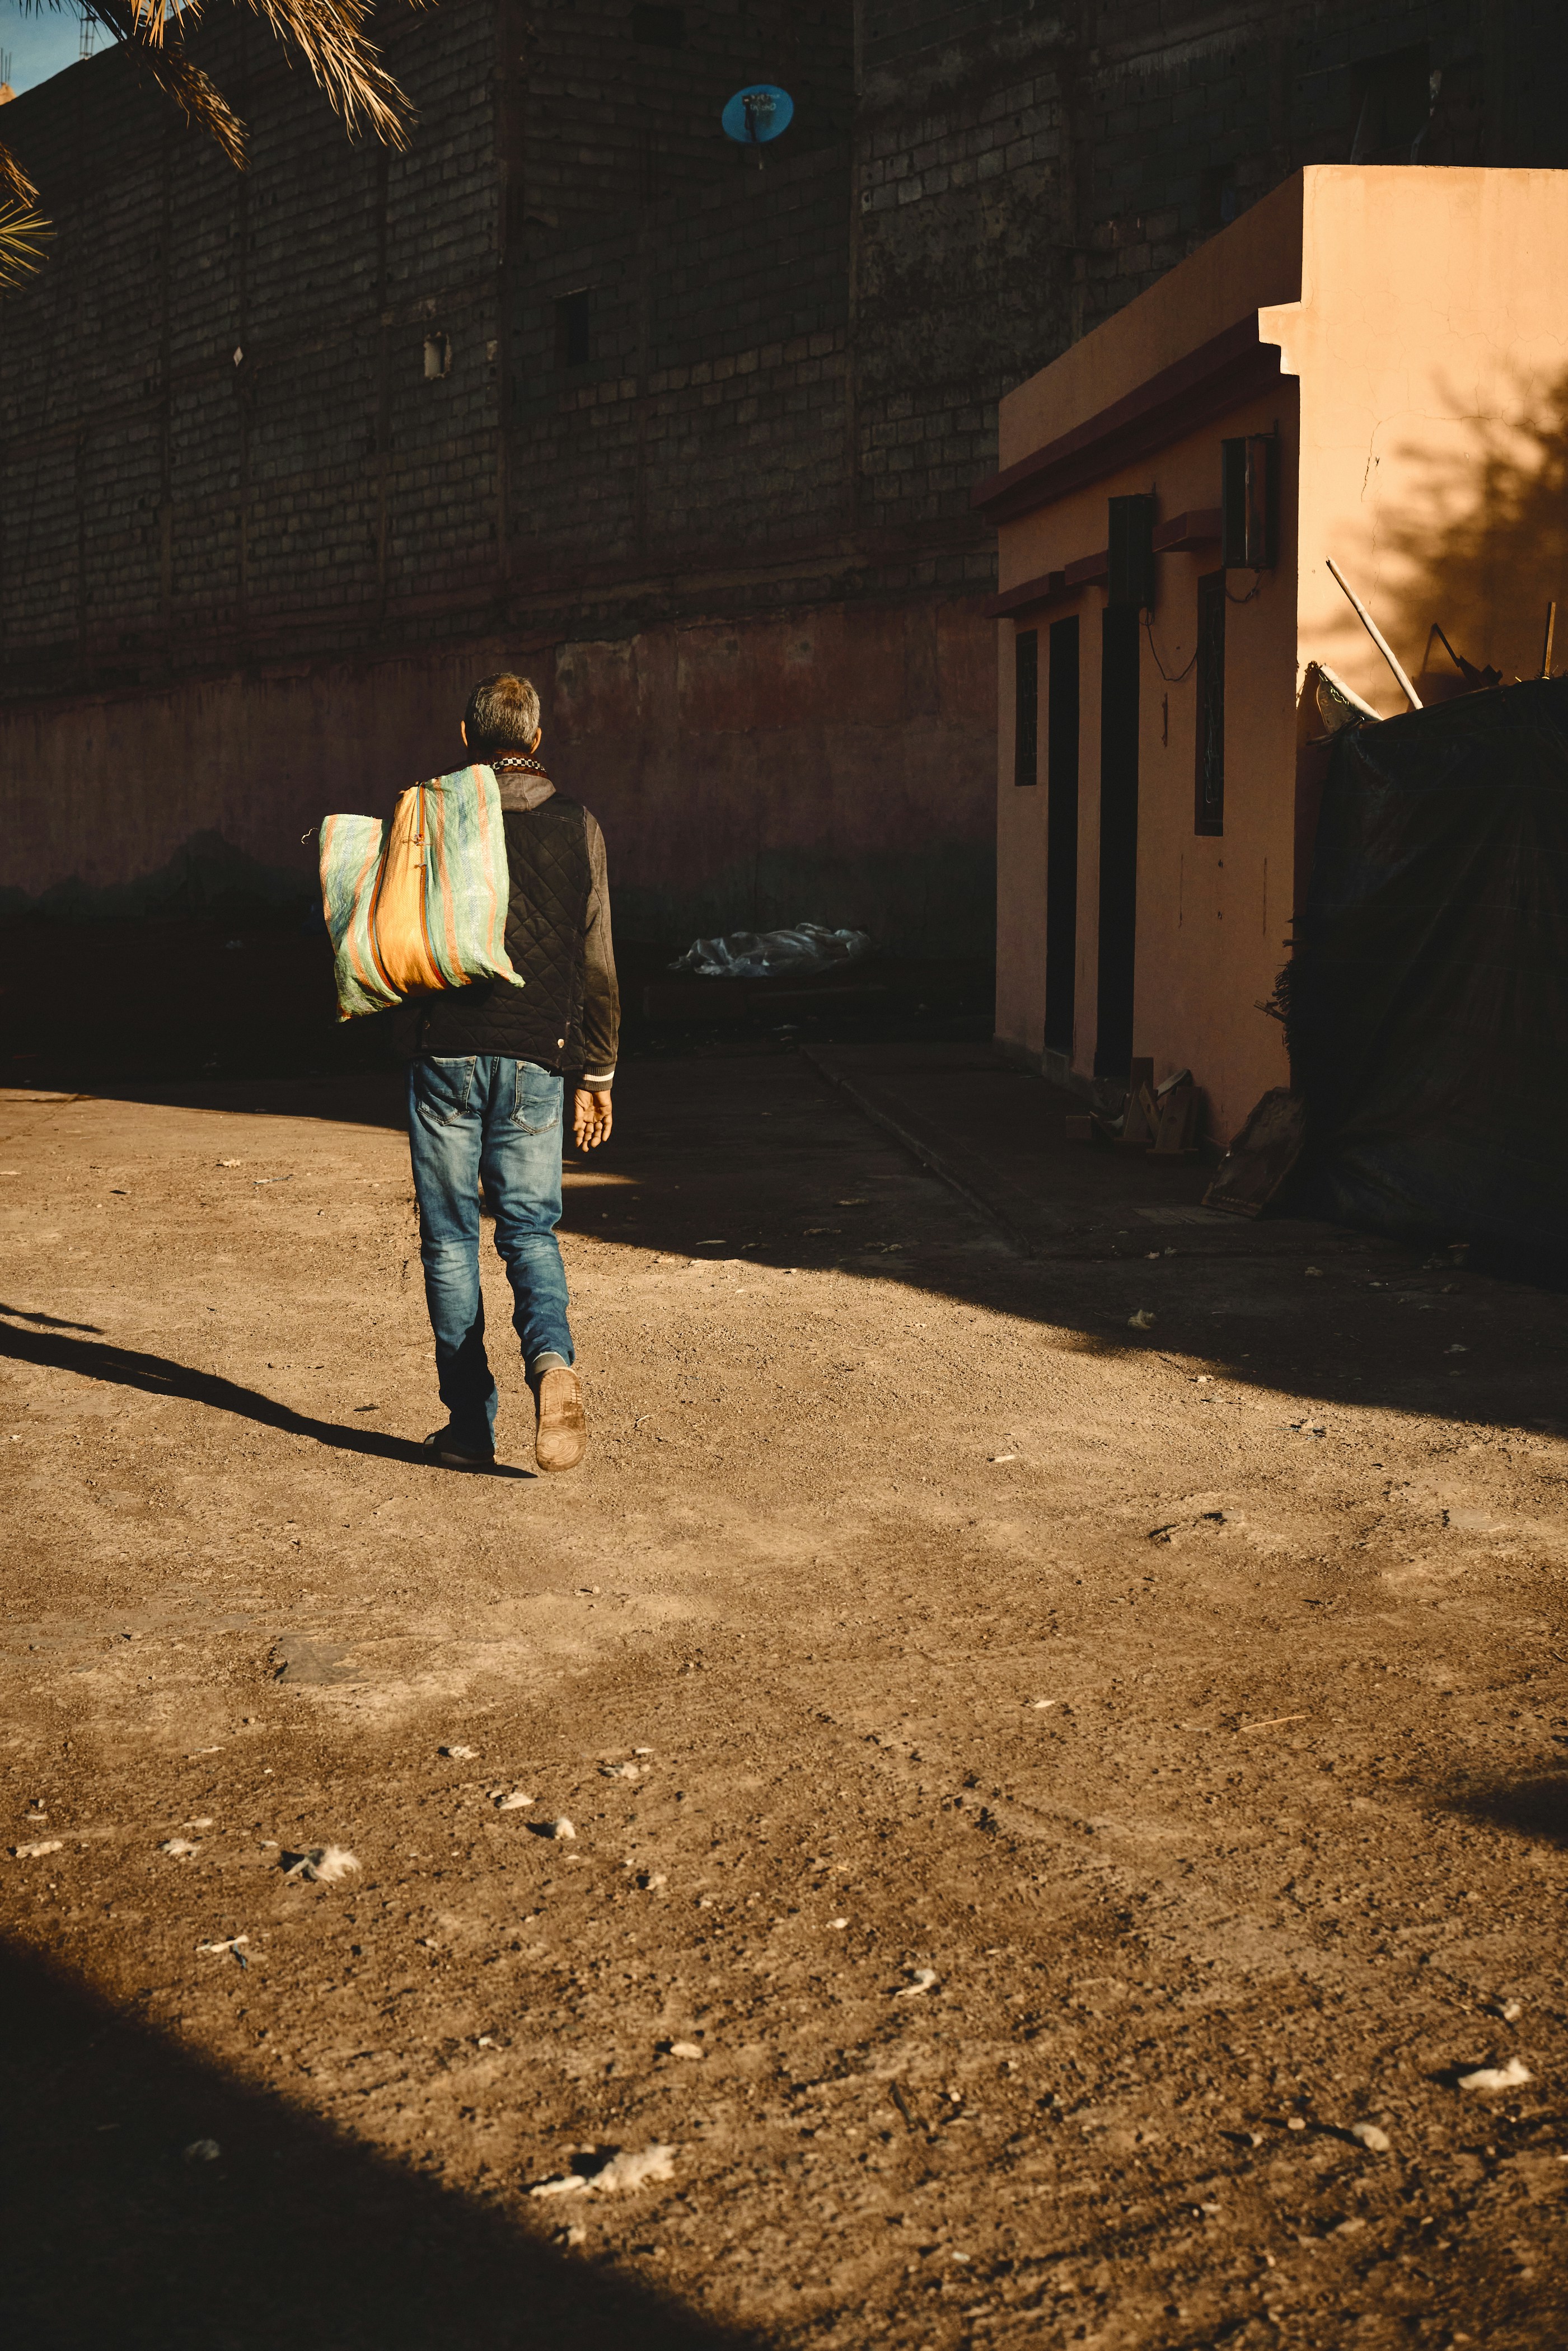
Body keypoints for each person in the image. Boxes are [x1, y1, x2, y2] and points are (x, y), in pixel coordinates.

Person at [393, 672, 618, 1472]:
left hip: (446, 1050)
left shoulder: (431, 812)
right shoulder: (576, 823)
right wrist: (598, 1072)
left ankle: (467, 1426)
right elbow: (596, 959)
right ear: (537, 742)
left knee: (450, 1242)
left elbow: (393, 930)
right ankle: (552, 1364)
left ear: (465, 738)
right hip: (537, 1058)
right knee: (529, 1230)